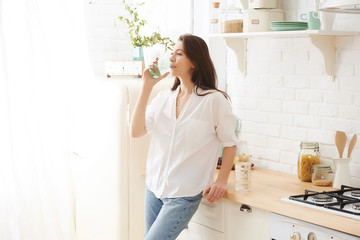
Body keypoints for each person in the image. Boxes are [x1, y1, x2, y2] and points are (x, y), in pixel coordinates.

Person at [130, 33, 238, 240]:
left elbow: (230, 143)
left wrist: (221, 181)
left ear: (195, 62)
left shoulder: (214, 100)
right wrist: (146, 87)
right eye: (172, 53)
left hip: (183, 194)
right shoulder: (163, 98)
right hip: (154, 189)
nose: (172, 58)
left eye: (179, 54)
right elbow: (135, 132)